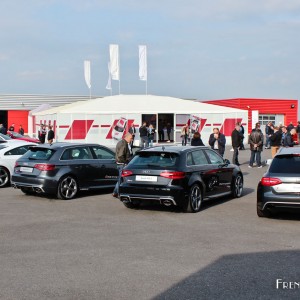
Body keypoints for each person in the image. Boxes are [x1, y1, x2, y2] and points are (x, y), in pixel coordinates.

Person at [112, 133, 133, 198]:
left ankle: (115, 192)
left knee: (120, 179)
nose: (131, 140)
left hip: (120, 164)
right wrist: (126, 162)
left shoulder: (122, 142)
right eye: (131, 138)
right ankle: (117, 193)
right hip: (122, 164)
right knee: (121, 179)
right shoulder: (123, 144)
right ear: (126, 137)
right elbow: (121, 155)